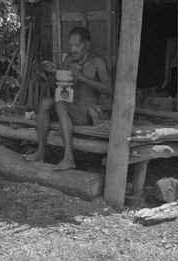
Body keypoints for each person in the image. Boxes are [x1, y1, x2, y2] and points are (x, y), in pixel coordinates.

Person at [24, 26, 113, 170]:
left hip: (89, 112)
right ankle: (40, 151)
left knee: (61, 104)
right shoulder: (69, 59)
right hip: (67, 109)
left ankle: (68, 158)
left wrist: (84, 78)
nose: (73, 49)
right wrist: (55, 72)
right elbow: (54, 86)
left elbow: (109, 89)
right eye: (71, 45)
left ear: (87, 45)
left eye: (77, 45)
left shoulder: (97, 61)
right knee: (46, 102)